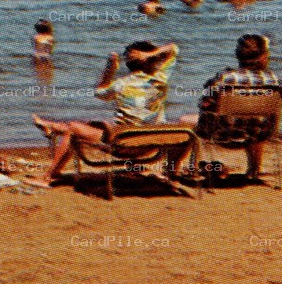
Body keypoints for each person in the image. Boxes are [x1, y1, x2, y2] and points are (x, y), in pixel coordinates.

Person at [29, 41, 183, 186]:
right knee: (185, 129)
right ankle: (171, 174)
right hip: (153, 144)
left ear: (129, 64)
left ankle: (49, 176)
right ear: (154, 61)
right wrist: (152, 53)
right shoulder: (161, 79)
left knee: (73, 129)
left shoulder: (120, 84)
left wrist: (110, 70)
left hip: (124, 145)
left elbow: (99, 92)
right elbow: (174, 48)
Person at [178, 34, 282, 182]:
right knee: (258, 120)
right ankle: (253, 170)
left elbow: (205, 103)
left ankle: (176, 168)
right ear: (263, 55)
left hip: (222, 134)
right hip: (259, 134)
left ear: (238, 55)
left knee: (185, 120)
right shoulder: (276, 81)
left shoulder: (225, 78)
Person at [31, 19, 55, 91]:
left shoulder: (35, 37)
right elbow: (50, 50)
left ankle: (39, 86)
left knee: (38, 71)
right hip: (46, 56)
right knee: (48, 72)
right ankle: (46, 87)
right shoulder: (50, 38)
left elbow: (34, 46)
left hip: (36, 55)